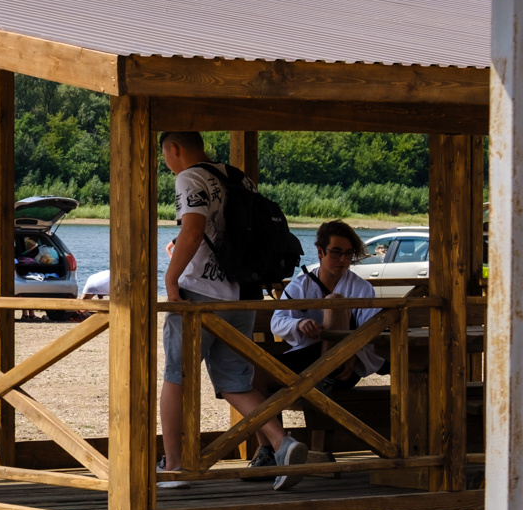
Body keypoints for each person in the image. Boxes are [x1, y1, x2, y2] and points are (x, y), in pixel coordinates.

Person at [158, 131, 307, 490]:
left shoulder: (189, 177)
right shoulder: (239, 177)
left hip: (199, 298)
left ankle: (176, 465)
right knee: (234, 381)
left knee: (175, 376)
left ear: (173, 149)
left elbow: (193, 231)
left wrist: (171, 278)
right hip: (240, 293)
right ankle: (282, 443)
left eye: (164, 155)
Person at [263, 221, 382, 466]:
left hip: (342, 368)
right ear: (320, 252)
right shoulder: (301, 285)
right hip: (307, 358)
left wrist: (352, 356)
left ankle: (324, 379)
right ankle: (270, 449)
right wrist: (299, 325)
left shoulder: (360, 288)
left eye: (348, 254)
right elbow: (277, 322)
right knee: (252, 375)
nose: (343, 259)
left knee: (335, 301)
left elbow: (373, 329)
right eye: (336, 252)